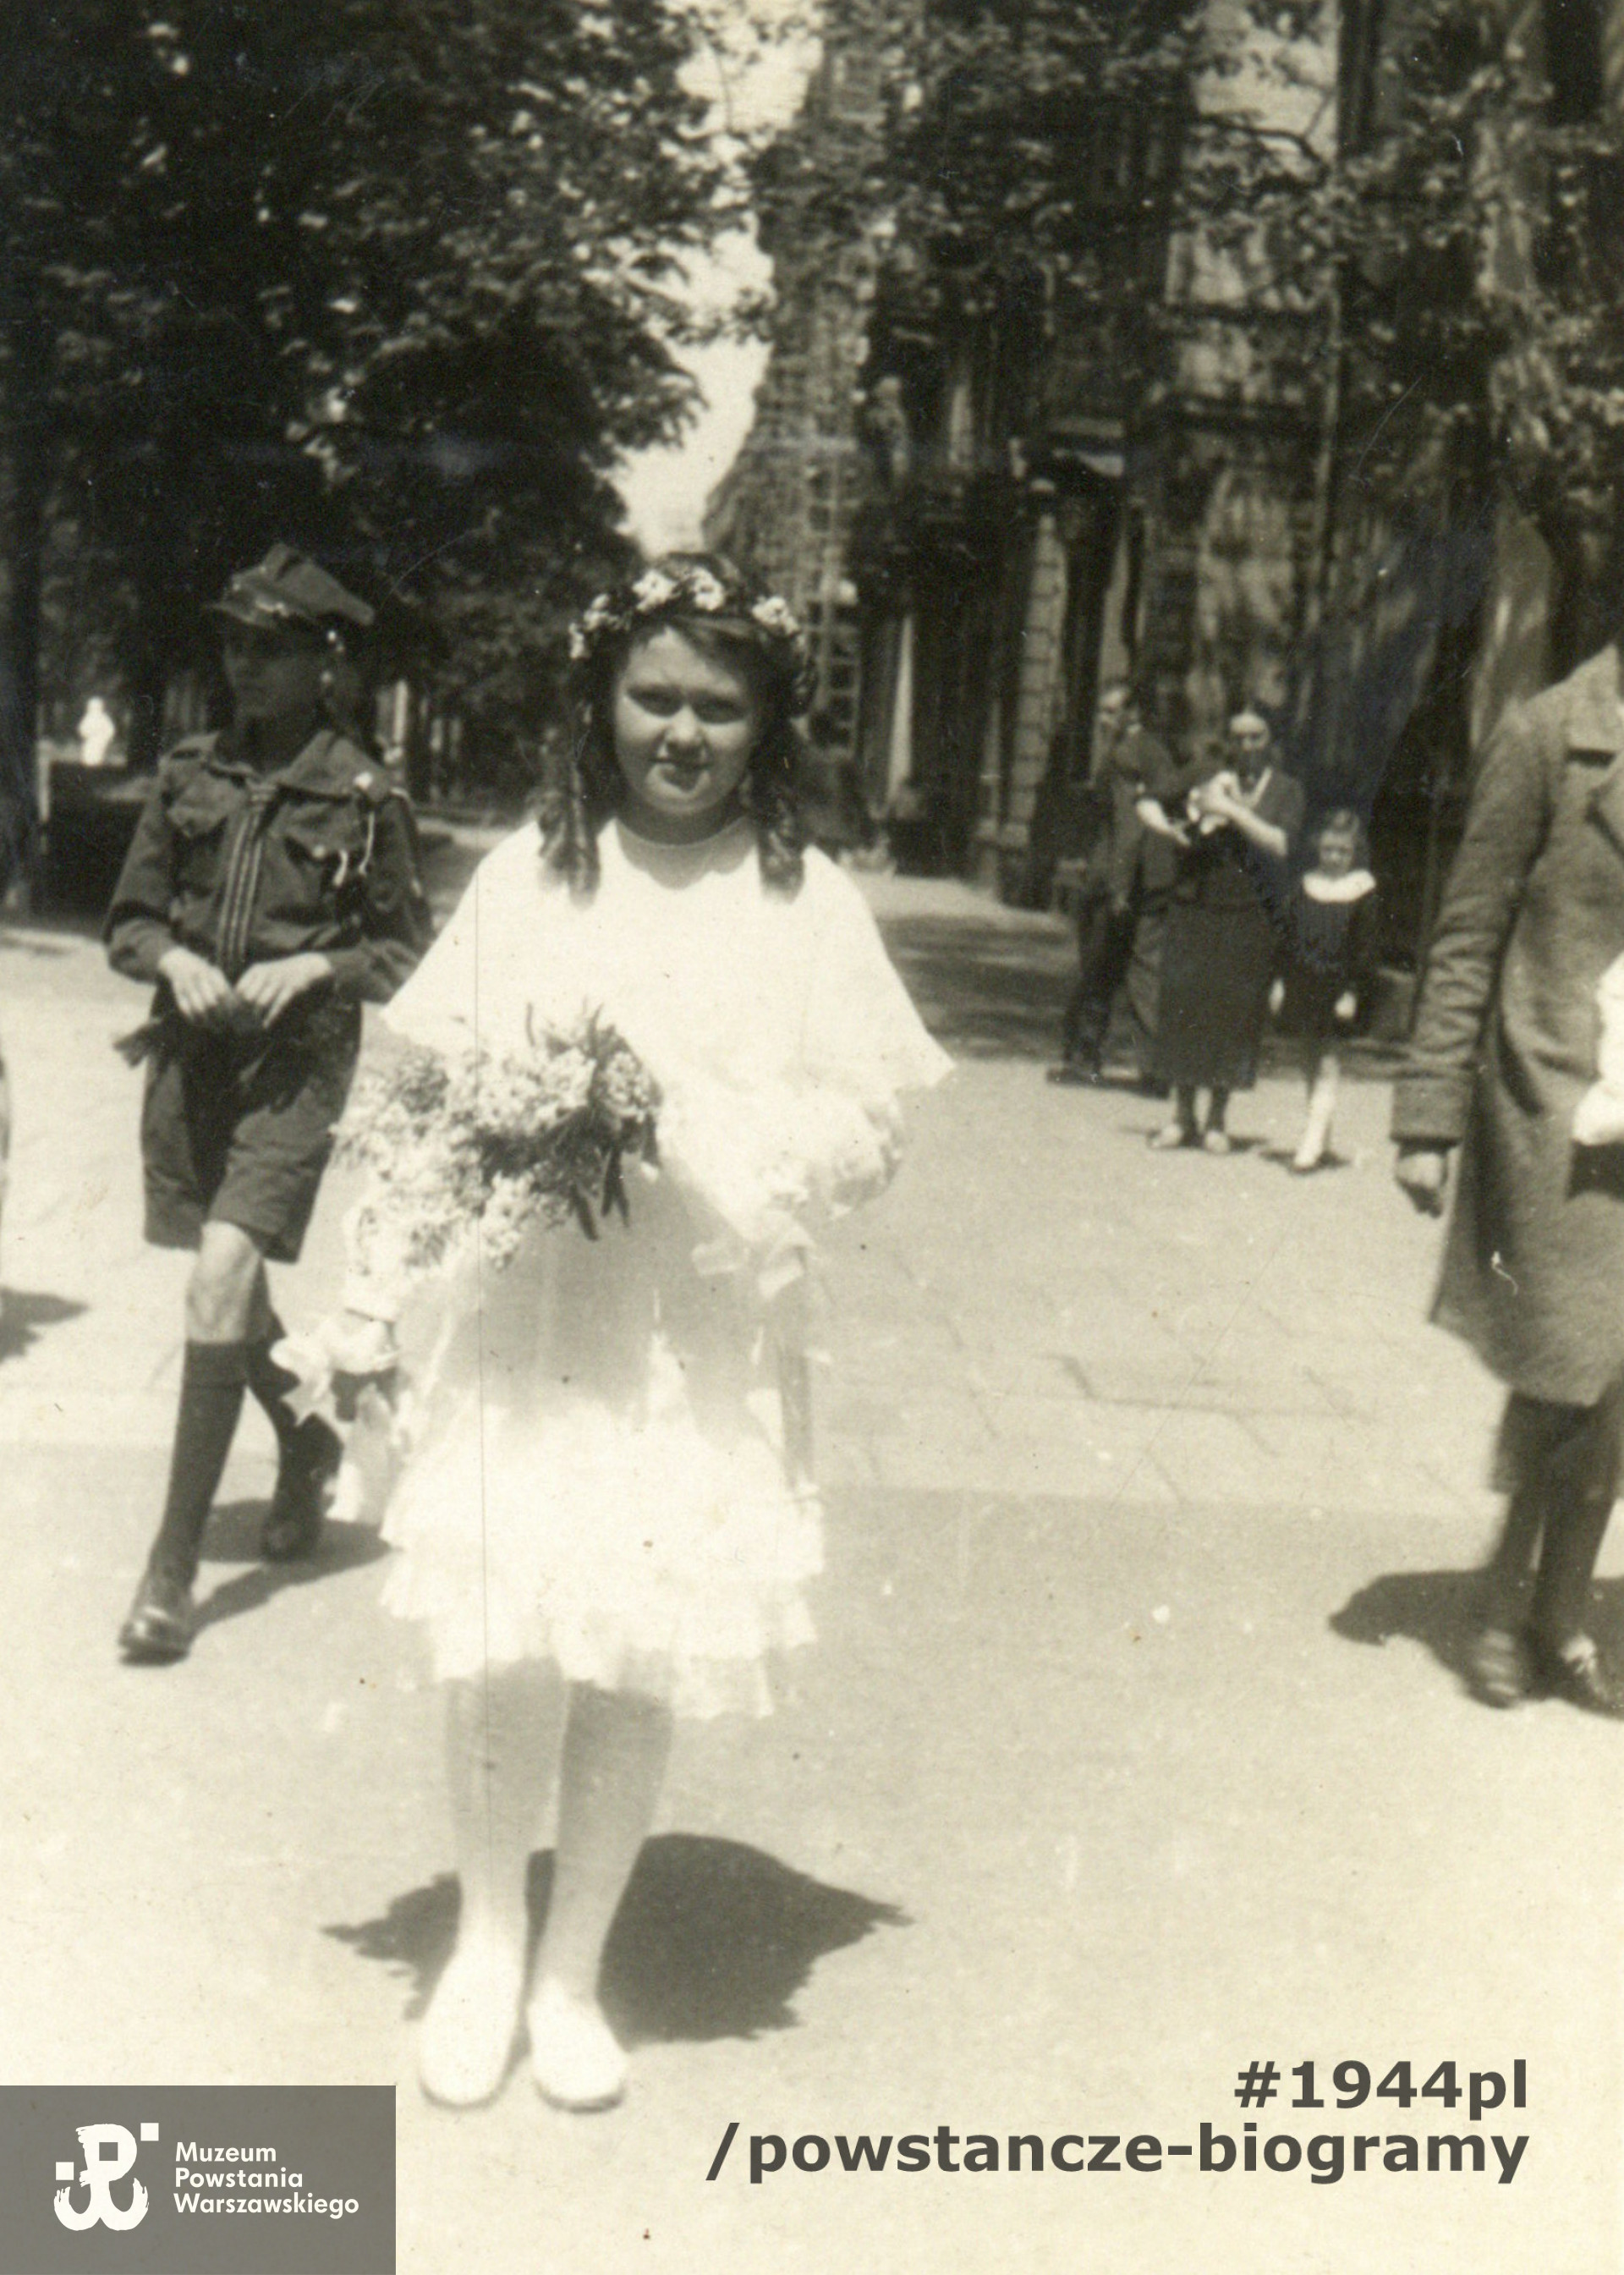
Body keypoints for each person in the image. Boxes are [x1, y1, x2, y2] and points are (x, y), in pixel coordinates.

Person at [339, 553, 950, 2113]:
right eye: (654, 698)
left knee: (631, 1644)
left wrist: (692, 1125)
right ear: (601, 700)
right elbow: (420, 1091)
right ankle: (486, 1946)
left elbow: (869, 1128)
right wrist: (370, 1294)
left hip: (696, 1330)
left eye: (719, 708)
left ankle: (571, 1972)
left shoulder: (802, 900)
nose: (682, 734)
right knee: (507, 1633)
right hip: (536, 1315)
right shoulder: (534, 876)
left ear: (767, 725)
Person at [105, 545, 431, 1664]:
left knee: (220, 1274)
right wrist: (172, 961)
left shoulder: (366, 796)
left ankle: (169, 1573)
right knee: (223, 1287)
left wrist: (318, 968)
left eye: (273, 648)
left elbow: (403, 950)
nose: (245, 665)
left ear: (325, 663)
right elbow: (130, 921)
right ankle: (305, 1445)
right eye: (235, 643)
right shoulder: (187, 772)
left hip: (295, 1069)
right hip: (192, 1060)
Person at [1393, 639, 1624, 1715]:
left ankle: (1560, 1610)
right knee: (1564, 1364)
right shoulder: (1546, 737)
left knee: (1618, 1381)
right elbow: (1467, 932)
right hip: (1555, 1105)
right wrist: (1428, 1117)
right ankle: (1501, 1606)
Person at [1138, 706, 1303, 1151]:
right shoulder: (1205, 773)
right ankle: (1181, 1116)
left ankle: (1216, 1119)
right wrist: (1171, 831)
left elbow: (1281, 844)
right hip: (1195, 904)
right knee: (1185, 1007)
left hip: (1248, 911)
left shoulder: (1286, 790)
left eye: (1256, 737)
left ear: (1270, 740)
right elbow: (1148, 799)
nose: (1246, 746)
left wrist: (1231, 810)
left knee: (1232, 1013)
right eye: (1238, 737)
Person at [1049, 684, 1180, 1089]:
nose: (1103, 721)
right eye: (1102, 712)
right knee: (1146, 971)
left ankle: (1083, 1059)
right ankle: (1156, 1070)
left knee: (1098, 967)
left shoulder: (1125, 755)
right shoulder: (1157, 751)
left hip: (1118, 877)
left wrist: (1118, 886)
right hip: (1156, 877)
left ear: (1132, 712)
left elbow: (1129, 824)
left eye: (1111, 712)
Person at [1275, 807, 1380, 1173]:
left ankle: (1311, 1140)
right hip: (1304, 982)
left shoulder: (1362, 890)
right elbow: (1287, 939)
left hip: (1338, 988)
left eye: (1343, 852)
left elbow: (1365, 948)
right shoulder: (1305, 887)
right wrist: (1280, 982)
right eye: (1329, 850)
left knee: (1329, 1063)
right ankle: (1323, 1140)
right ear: (1318, 848)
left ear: (1355, 853)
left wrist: (1353, 991)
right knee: (1308, 1060)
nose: (1334, 858)